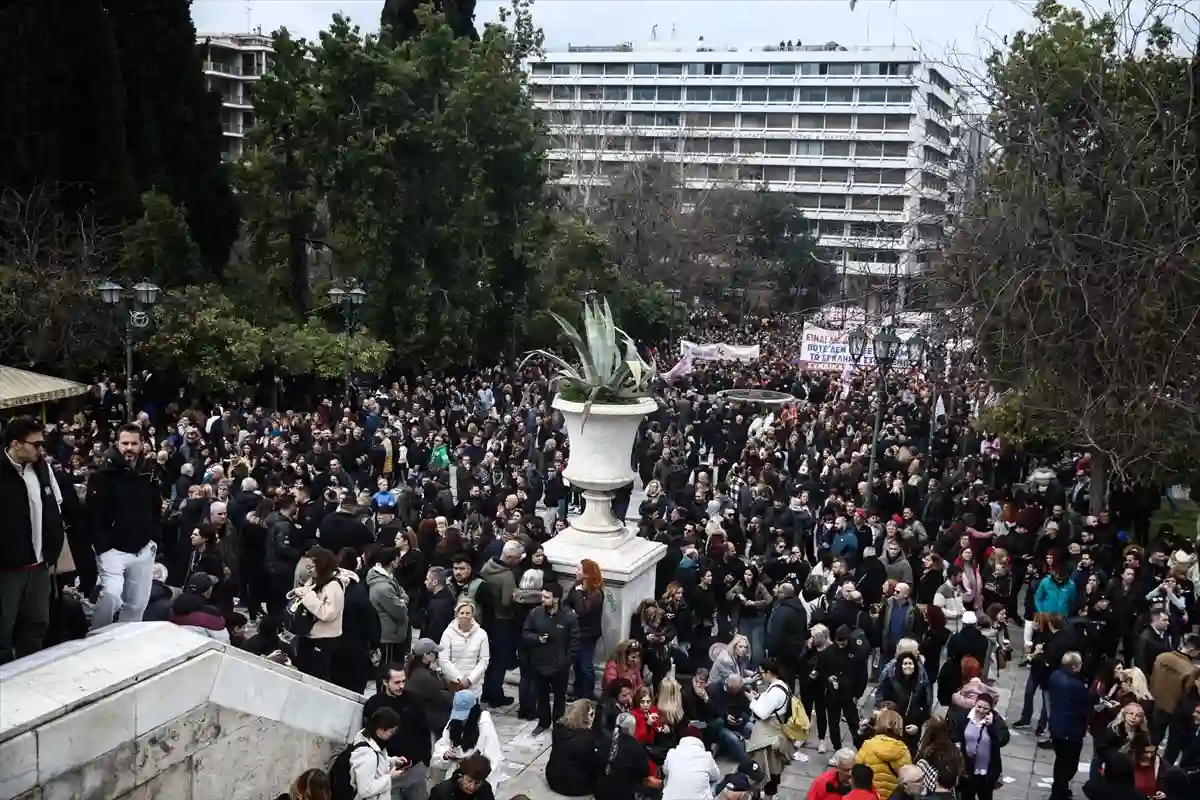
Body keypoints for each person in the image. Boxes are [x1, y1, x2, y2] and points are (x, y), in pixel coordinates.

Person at [0, 417, 86, 663]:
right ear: (16, 444)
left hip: (40, 565)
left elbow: (55, 509)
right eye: (35, 444)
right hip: (7, 569)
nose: (41, 449)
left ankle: (33, 674)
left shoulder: (42, 468)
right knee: (3, 630)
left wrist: (54, 550)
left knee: (36, 625)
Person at [88, 422, 162, 631]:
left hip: (143, 548)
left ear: (141, 445)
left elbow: (157, 507)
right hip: (113, 550)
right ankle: (95, 636)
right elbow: (93, 515)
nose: (129, 448)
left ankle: (126, 641)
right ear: (117, 444)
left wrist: (154, 539)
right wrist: (102, 546)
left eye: (134, 443)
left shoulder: (148, 473)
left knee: (137, 604)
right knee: (111, 596)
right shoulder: (102, 475)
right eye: (125, 443)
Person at [362, 664, 433, 800]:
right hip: (390, 772)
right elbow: (369, 738)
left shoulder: (414, 701)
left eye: (403, 681)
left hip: (415, 769)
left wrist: (425, 760)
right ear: (385, 682)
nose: (401, 686)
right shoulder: (374, 704)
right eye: (396, 682)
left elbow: (424, 730)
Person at [523, 582, 580, 735]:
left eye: (546, 597)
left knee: (559, 698)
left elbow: (575, 641)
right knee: (541, 696)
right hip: (540, 663)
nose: (542, 599)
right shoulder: (535, 613)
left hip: (560, 665)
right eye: (542, 596)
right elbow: (526, 633)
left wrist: (567, 660)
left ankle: (558, 724)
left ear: (556, 599)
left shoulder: (569, 617)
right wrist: (537, 638)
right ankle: (543, 722)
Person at [290, 546, 346, 681]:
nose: (308, 571)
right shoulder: (315, 580)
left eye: (311, 567)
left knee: (317, 675)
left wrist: (308, 597)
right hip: (307, 634)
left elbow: (328, 613)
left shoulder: (334, 586)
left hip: (323, 639)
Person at [745, 657, 792, 800]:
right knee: (771, 769)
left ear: (769, 672)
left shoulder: (776, 691)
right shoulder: (781, 685)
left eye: (761, 673)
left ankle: (765, 796)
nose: (760, 676)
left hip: (767, 736)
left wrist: (752, 701)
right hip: (774, 732)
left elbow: (762, 713)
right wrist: (759, 697)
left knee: (765, 769)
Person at [430, 690, 503, 781]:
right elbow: (442, 746)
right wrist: (445, 755)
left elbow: (493, 758)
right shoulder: (453, 723)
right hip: (456, 777)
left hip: (476, 780)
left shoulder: (484, 725)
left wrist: (475, 777)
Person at [1047, 651, 1091, 800]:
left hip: (1056, 725)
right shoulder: (1077, 686)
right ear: (1074, 667)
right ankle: (1058, 793)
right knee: (1069, 765)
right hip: (1071, 730)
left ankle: (1060, 788)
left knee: (1060, 761)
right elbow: (1085, 707)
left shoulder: (1055, 676)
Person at [948, 693, 1009, 800]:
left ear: (991, 709)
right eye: (979, 707)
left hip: (986, 771)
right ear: (975, 704)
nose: (981, 711)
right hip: (967, 769)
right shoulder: (965, 717)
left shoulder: (996, 721)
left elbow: (1001, 740)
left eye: (985, 708)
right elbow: (955, 735)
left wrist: (991, 727)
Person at [564, 558, 605, 700]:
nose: (576, 571)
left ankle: (587, 694)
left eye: (578, 569)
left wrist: (579, 594)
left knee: (586, 666)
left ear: (586, 574)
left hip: (588, 634)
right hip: (576, 631)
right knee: (576, 665)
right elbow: (567, 604)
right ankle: (577, 692)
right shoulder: (577, 585)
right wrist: (571, 612)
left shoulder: (596, 594)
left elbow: (582, 610)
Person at [349, 706, 411, 800]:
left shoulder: (370, 740)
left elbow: (376, 764)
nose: (392, 735)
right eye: (391, 731)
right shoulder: (367, 754)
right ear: (380, 730)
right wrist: (389, 777)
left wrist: (393, 761)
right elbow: (365, 790)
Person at [367, 547, 411, 666]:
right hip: (388, 636)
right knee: (388, 670)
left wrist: (401, 600)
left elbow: (403, 594)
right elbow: (400, 611)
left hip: (392, 634)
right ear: (394, 561)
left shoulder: (389, 578)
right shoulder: (383, 587)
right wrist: (402, 603)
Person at [546, 699, 600, 796]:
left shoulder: (558, 729)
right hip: (574, 786)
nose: (593, 718)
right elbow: (590, 763)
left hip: (553, 779)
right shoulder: (586, 739)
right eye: (591, 715)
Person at [438, 598, 490, 698]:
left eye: (468, 613)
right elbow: (443, 659)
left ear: (472, 614)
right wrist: (459, 679)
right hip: (454, 683)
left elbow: (484, 660)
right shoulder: (448, 633)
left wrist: (470, 679)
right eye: (462, 613)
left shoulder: (482, 634)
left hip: (474, 685)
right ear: (457, 614)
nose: (465, 616)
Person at [856, 709, 913, 800]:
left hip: (871, 796)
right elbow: (908, 780)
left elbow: (856, 771)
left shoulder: (868, 745)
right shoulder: (903, 750)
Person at [594, 712, 652, 800]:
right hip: (624, 793)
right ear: (632, 728)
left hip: (602, 792)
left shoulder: (604, 741)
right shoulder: (636, 747)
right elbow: (644, 773)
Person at [406, 639, 455, 736]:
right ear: (426, 655)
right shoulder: (426, 677)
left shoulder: (410, 669)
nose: (437, 656)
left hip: (418, 713)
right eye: (435, 653)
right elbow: (448, 700)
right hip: (429, 718)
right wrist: (439, 675)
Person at [662, 728, 721, 800]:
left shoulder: (672, 753)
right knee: (714, 781)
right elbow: (717, 776)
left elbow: (665, 771)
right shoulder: (706, 756)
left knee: (668, 778)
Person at [428, 753, 496, 800]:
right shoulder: (441, 793)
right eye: (469, 781)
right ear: (461, 776)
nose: (472, 786)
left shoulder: (485, 789)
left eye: (477, 783)